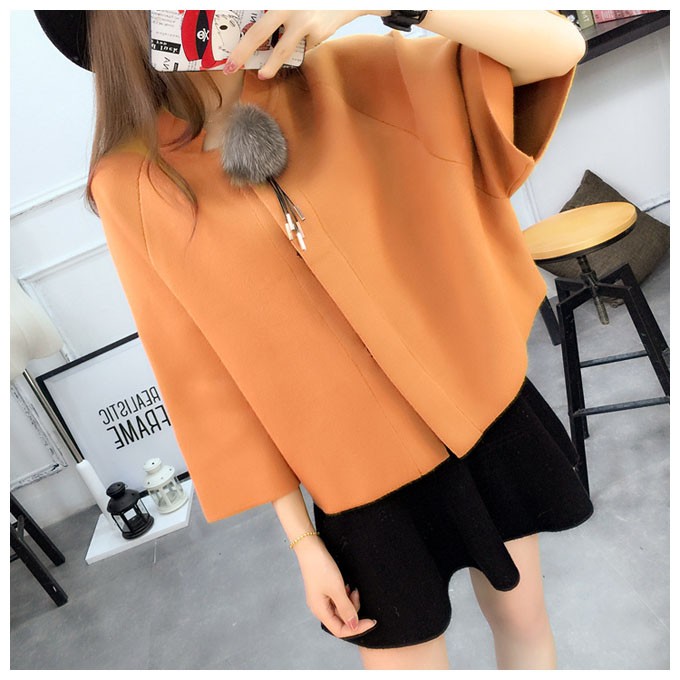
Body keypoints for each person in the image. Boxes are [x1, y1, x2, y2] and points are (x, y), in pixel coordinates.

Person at [35, 10, 594, 670]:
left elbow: (558, 49)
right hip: (357, 486)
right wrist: (303, 541)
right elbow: (207, 378)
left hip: (482, 418)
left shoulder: (344, 76)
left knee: (524, 625)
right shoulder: (132, 184)